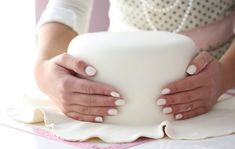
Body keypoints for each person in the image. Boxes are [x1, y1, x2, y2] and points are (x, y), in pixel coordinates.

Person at [34, 0, 235, 123]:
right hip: (111, 93)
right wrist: (44, 69)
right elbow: (68, 5)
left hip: (217, 93)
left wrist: (224, 75)